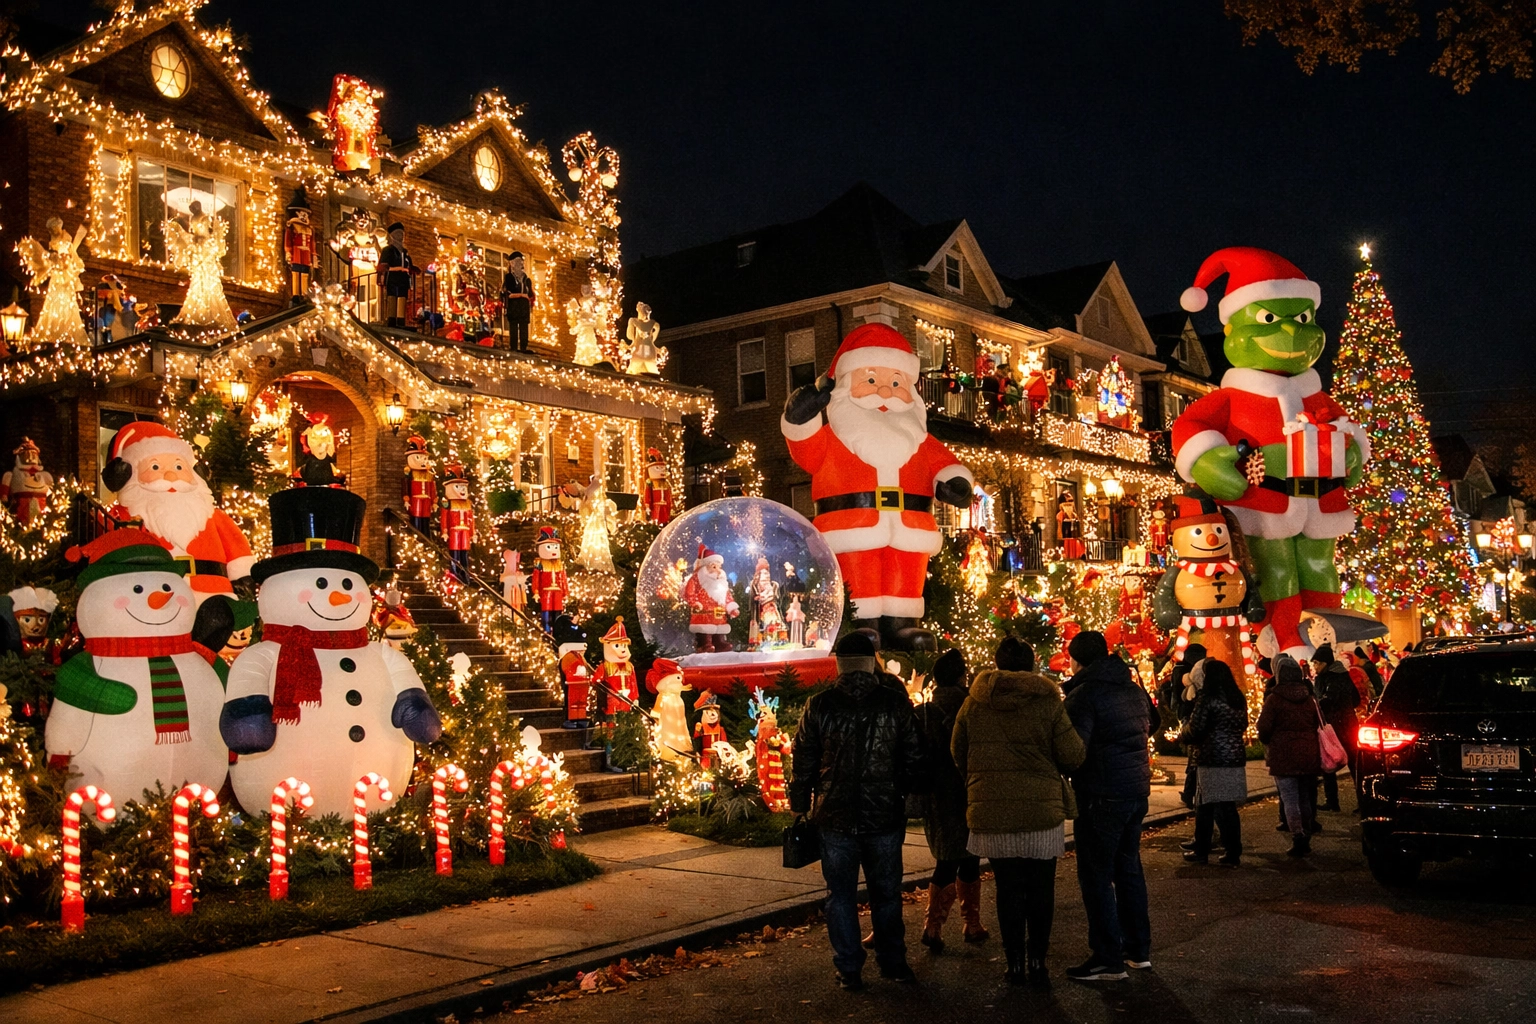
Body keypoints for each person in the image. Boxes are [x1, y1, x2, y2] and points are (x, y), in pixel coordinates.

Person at [790, 632, 926, 991]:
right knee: (887, 893)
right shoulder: (894, 703)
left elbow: (803, 760)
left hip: (834, 815)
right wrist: (910, 794)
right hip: (884, 813)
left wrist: (799, 804)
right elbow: (914, 754)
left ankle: (849, 967)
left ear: (839, 665)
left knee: (840, 896)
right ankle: (893, 962)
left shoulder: (820, 705)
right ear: (871, 664)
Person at [952, 636, 1085, 988]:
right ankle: (1037, 963)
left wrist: (980, 779)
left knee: (1007, 887)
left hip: (992, 809)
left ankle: (1014, 965)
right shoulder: (1047, 701)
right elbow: (1072, 755)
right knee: (1041, 888)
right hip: (1041, 810)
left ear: (997, 663)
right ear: (1031, 663)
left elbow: (958, 751)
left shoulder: (975, 703)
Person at [1061, 630, 1154, 982]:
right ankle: (1138, 950)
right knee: (1128, 869)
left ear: (1076, 661)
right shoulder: (1131, 687)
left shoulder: (1085, 695)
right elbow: (1153, 723)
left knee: (1097, 875)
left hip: (1101, 793)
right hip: (1135, 790)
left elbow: (1074, 749)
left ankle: (1107, 957)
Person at [915, 648, 985, 953]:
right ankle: (970, 923)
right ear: (961, 677)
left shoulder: (925, 712)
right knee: (969, 857)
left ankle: (935, 925)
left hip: (936, 794)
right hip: (968, 790)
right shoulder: (971, 708)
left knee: (947, 858)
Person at [1180, 659, 1248, 866]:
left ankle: (1223, 851)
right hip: (1234, 757)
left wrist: (1183, 732)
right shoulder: (1237, 698)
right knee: (1217, 805)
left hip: (1212, 757)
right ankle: (1211, 847)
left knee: (1214, 805)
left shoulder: (1208, 699)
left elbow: (1196, 729)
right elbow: (1243, 724)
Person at [1257, 655, 1322, 856]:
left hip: (1283, 754)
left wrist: (1270, 741)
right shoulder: (1309, 698)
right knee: (1305, 798)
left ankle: (1298, 836)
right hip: (1308, 752)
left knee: (1290, 799)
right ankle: (1307, 833)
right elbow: (1318, 723)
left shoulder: (1274, 700)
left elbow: (1263, 728)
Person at [1312, 645, 1360, 811]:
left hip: (1337, 725)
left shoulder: (1333, 678)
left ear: (1325, 663)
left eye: (1317, 663)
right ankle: (1355, 801)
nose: (1314, 666)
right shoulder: (1341, 675)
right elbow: (1356, 699)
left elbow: (1327, 701)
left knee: (1334, 760)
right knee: (1349, 763)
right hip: (1346, 724)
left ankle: (1334, 801)